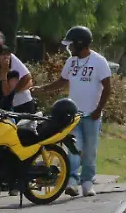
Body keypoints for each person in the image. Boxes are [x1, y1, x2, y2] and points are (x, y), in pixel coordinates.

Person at [37, 26, 112, 197]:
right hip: (73, 115)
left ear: (81, 44)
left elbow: (107, 88)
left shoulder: (99, 62)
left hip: (92, 115)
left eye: (72, 45)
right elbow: (62, 81)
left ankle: (87, 182)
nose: (69, 48)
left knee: (90, 149)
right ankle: (72, 180)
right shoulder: (71, 62)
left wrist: (98, 110)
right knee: (74, 148)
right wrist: (42, 89)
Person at [0, 30, 35, 112]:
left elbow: (27, 76)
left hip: (20, 105)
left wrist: (13, 93)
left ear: (0, 43)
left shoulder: (8, 57)